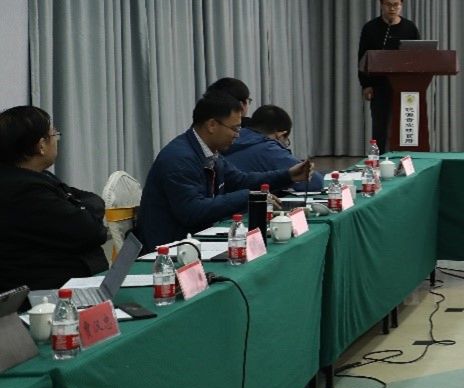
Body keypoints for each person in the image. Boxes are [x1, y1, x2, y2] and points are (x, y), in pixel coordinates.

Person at [135, 92, 315, 250]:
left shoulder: (209, 152)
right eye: (234, 128)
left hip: (196, 240)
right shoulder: (179, 158)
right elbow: (192, 211)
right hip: (168, 249)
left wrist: (289, 175)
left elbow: (241, 180)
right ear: (212, 125)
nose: (238, 134)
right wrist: (247, 197)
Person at [0, 105, 109, 292]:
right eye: (54, 134)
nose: (57, 140)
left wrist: (84, 208)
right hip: (49, 295)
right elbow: (91, 232)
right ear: (41, 145)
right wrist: (85, 210)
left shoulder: (37, 177)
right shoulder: (24, 190)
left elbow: (89, 199)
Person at [358, 0, 420, 151]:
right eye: (388, 5)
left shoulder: (410, 28)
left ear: (401, 5)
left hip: (405, 86)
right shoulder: (370, 28)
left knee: (404, 126)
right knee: (380, 126)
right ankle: (379, 159)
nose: (392, 8)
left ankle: (405, 158)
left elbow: (419, 57)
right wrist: (366, 85)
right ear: (381, 4)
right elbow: (362, 59)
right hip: (379, 85)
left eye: (396, 5)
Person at [226, 104, 324, 191]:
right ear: (280, 135)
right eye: (286, 142)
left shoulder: (232, 140)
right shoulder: (268, 148)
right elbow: (315, 182)